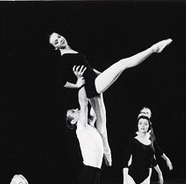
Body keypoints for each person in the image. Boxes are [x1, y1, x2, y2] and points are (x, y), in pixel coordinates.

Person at [49, 32, 172, 166]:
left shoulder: (71, 52)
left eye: (59, 37)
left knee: (102, 123)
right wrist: (78, 84)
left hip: (94, 83)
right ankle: (154, 49)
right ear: (55, 47)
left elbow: (87, 68)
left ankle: (108, 157)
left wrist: (97, 73)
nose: (60, 40)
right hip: (92, 86)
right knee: (122, 63)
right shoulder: (64, 58)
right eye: (56, 42)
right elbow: (60, 82)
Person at [134, 107, 173, 184]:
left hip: (148, 167)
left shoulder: (150, 132)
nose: (144, 115)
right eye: (142, 113)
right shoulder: (136, 133)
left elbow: (155, 149)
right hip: (135, 167)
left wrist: (166, 159)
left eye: (147, 113)